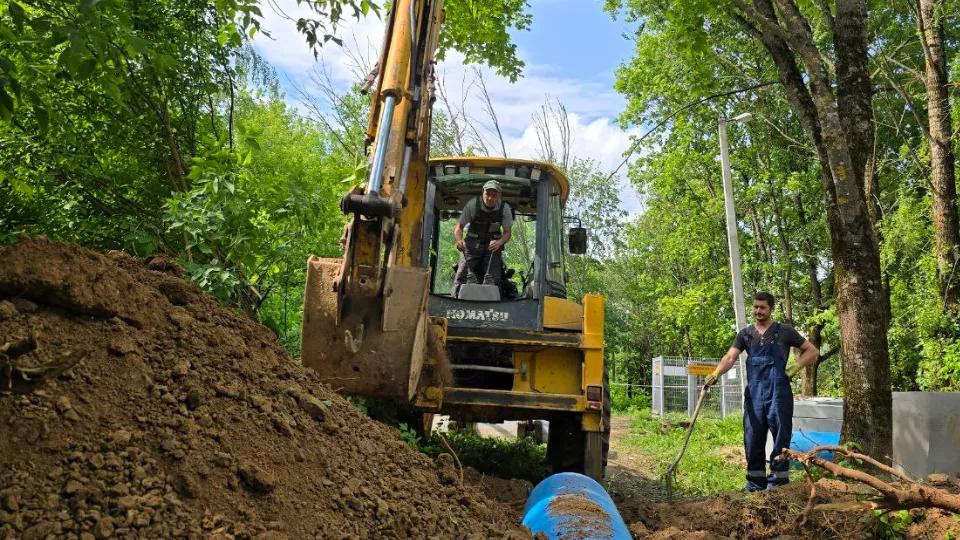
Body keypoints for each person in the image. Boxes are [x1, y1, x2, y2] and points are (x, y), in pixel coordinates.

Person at [705, 291, 819, 491]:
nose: (758, 311)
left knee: (781, 440)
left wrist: (792, 369)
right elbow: (730, 357)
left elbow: (812, 350)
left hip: (779, 395)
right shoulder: (746, 334)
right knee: (753, 440)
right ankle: (755, 485)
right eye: (756, 307)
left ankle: (778, 485)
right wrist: (714, 375)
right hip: (754, 396)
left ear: (772, 308)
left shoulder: (785, 331)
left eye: (763, 307)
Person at [452, 180, 513, 295]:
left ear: (499, 195)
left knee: (494, 278)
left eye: (494, 195)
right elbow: (459, 227)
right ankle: (454, 299)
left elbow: (507, 233)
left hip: (493, 246)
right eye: (487, 194)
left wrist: (499, 242)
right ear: (482, 192)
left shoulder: (505, 208)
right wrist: (459, 240)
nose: (490, 198)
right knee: (461, 275)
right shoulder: (472, 205)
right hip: (471, 245)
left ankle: (494, 304)